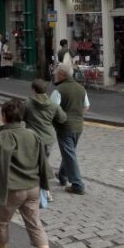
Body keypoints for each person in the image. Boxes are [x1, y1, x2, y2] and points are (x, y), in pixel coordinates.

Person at [0, 99, 58, 248]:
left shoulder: (1, 137)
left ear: (4, 116)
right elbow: (42, 162)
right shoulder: (33, 135)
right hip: (32, 188)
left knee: (2, 222)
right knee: (35, 224)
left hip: (13, 188)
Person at [24, 79, 67, 202]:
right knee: (44, 163)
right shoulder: (53, 105)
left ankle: (38, 190)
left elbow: (20, 116)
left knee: (34, 164)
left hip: (32, 138)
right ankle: (45, 191)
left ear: (33, 89)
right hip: (48, 138)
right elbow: (63, 118)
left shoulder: (28, 103)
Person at [51, 64, 88, 195]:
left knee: (69, 153)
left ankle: (77, 184)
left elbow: (52, 109)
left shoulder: (59, 90)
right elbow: (86, 106)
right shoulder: (81, 88)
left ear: (61, 75)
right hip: (79, 126)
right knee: (69, 152)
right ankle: (62, 176)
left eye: (56, 73)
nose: (54, 74)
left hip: (65, 127)